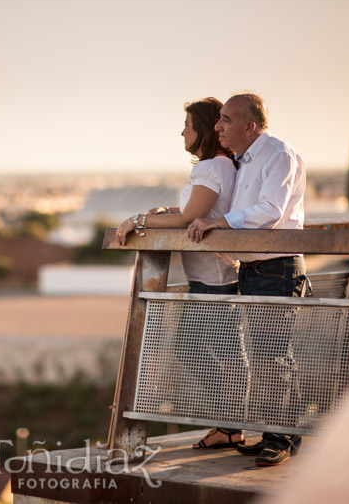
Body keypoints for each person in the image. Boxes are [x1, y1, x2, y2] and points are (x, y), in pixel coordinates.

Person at [187, 93, 310, 467]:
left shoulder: (278, 155)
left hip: (278, 268)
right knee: (262, 355)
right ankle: (273, 434)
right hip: (256, 270)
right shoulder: (246, 161)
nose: (218, 126)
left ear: (249, 126)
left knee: (274, 357)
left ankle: (283, 439)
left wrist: (218, 222)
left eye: (225, 120)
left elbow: (270, 211)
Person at [115, 97, 246, 449]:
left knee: (206, 351)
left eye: (187, 125)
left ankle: (231, 424)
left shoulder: (211, 168)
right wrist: (167, 210)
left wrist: (138, 221)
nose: (182, 132)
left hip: (213, 277)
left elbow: (189, 220)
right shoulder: (222, 166)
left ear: (201, 129)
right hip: (215, 274)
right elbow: (197, 208)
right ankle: (229, 424)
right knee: (215, 351)